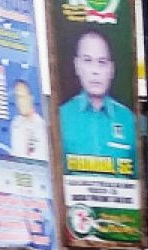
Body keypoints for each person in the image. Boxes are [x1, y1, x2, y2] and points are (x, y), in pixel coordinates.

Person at [57, 31, 136, 172]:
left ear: (111, 69)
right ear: (77, 66)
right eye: (88, 61)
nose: (95, 71)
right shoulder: (62, 116)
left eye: (102, 62)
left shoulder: (128, 119)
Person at [8, 79, 49, 160]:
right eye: (17, 97)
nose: (20, 102)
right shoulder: (15, 123)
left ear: (31, 98)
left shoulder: (43, 126)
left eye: (22, 97)